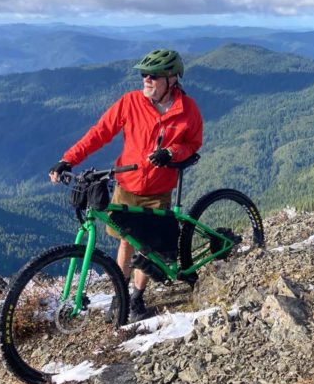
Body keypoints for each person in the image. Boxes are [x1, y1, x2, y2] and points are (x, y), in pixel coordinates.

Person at [49, 49, 203, 321]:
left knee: (146, 246)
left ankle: (136, 297)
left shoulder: (187, 109)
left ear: (171, 80)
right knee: (125, 241)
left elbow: (193, 144)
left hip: (159, 190)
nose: (146, 80)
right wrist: (68, 159)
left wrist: (171, 152)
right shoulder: (130, 102)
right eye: (144, 75)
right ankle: (120, 294)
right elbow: (100, 133)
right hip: (127, 185)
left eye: (153, 76)